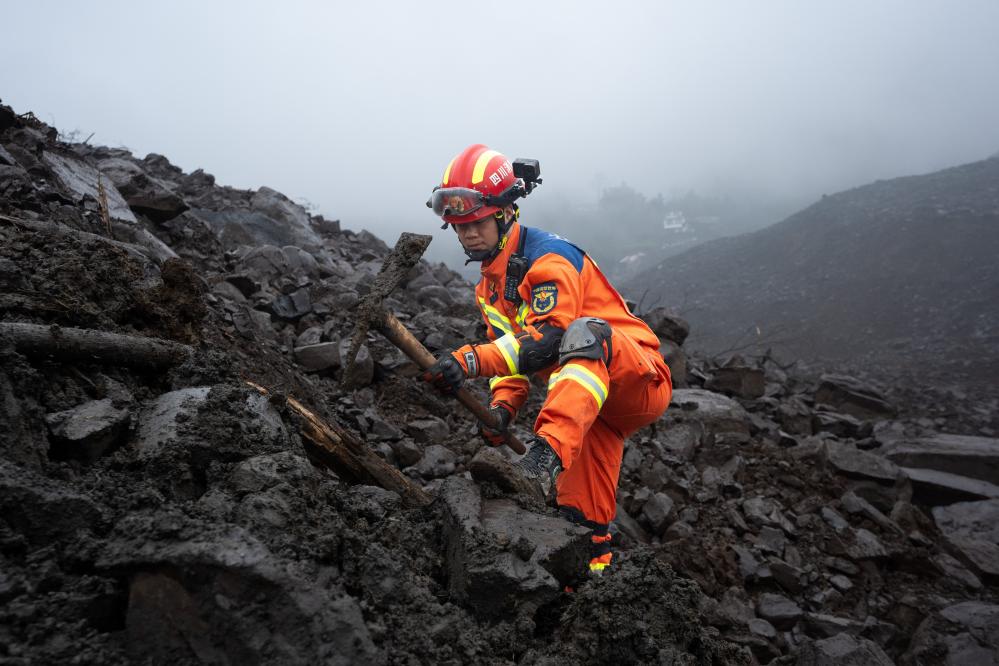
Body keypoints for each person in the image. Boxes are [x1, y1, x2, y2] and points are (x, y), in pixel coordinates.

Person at [422, 144, 672, 574]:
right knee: (577, 524)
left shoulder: (549, 257)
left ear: (505, 213)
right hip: (591, 411)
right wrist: (501, 409)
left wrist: (468, 361)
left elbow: (548, 342)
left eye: (476, 223)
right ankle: (591, 588)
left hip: (637, 379)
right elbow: (511, 350)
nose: (467, 235)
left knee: (583, 335)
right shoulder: (490, 288)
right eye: (458, 227)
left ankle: (542, 460)